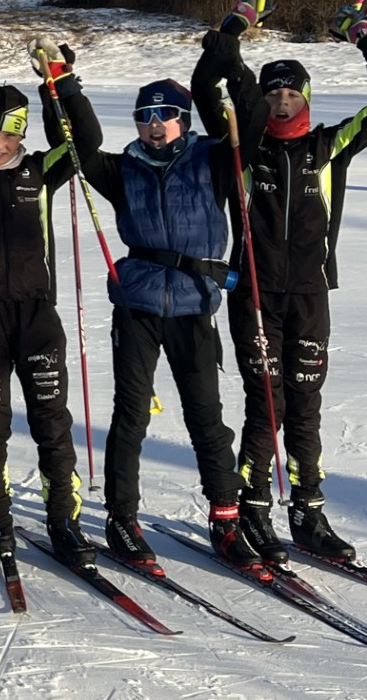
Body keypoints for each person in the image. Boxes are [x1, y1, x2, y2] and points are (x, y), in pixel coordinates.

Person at [46, 39, 261, 571]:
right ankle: (122, 518)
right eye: (145, 116)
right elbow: (73, 147)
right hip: (138, 305)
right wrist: (59, 86)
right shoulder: (123, 170)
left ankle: (226, 518)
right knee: (131, 415)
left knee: (206, 417)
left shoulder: (214, 160)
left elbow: (252, 121)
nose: (155, 124)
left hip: (194, 305)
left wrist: (231, 62)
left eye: (166, 115)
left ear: (184, 120)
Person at [200, 0, 367, 563]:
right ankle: (251, 510)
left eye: (291, 92)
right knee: (265, 400)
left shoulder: (329, 148)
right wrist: (235, 28)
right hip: (255, 293)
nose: (281, 100)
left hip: (310, 295)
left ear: (307, 97)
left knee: (305, 402)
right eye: (273, 93)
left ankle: (307, 511)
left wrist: (360, 35)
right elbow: (209, 83)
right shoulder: (244, 150)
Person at [0, 78, 91, 566]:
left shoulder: (41, 168)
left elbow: (83, 142)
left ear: (22, 135)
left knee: (52, 421)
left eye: (9, 135)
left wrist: (61, 88)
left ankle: (64, 521)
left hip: (37, 315)